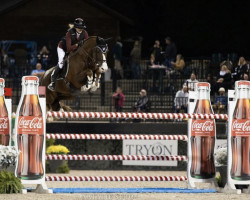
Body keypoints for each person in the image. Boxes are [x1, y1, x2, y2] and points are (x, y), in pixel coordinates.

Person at [48, 18, 89, 91]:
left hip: (76, 50)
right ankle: (53, 81)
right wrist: (77, 44)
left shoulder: (85, 33)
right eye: (79, 28)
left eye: (82, 28)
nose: (81, 29)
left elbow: (86, 46)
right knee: (61, 63)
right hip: (63, 48)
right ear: (75, 27)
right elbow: (69, 48)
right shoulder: (69, 33)